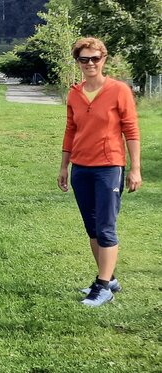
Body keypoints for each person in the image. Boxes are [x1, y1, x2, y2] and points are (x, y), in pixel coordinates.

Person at [58, 37, 141, 307]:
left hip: (109, 167)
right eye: (84, 59)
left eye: (95, 58)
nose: (90, 63)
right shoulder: (74, 93)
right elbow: (71, 130)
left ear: (104, 59)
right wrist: (64, 166)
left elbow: (131, 130)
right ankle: (109, 277)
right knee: (92, 228)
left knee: (106, 227)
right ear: (78, 62)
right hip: (81, 168)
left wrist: (135, 168)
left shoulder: (119, 90)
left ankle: (103, 287)